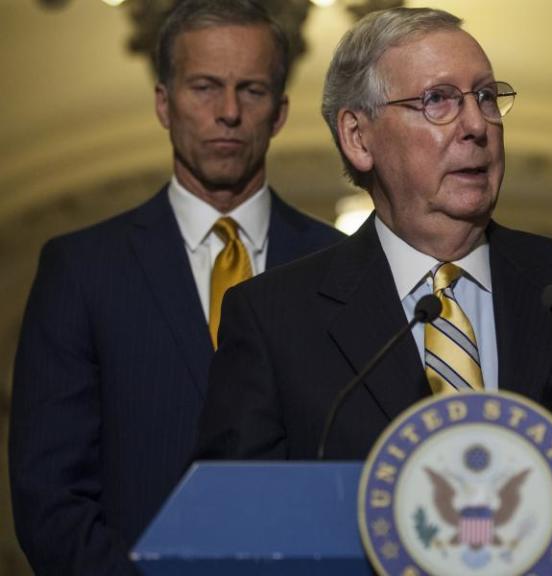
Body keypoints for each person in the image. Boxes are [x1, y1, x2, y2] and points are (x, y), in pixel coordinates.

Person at [195, 7, 552, 463]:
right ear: (358, 137)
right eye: (438, 100)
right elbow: (239, 518)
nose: (476, 126)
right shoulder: (274, 320)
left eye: (486, 97)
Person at [8, 1, 343, 574]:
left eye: (253, 90)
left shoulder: (341, 266)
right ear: (164, 103)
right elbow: (50, 500)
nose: (229, 112)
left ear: (281, 111)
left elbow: (360, 471)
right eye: (205, 87)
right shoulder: (82, 270)